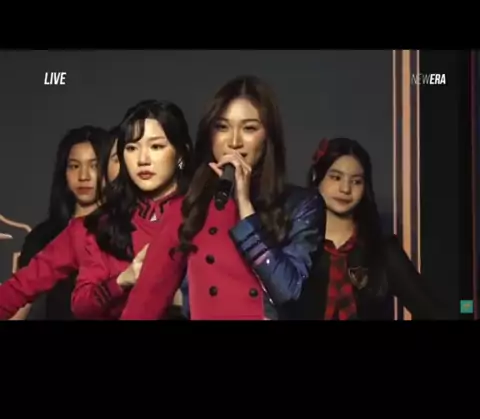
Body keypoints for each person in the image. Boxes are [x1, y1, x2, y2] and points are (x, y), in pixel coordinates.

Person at [120, 75, 326, 321]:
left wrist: (246, 209)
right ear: (210, 135)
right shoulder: (190, 207)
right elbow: (146, 300)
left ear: (268, 137)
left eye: (249, 128)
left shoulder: (301, 204)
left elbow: (289, 292)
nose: (234, 142)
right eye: (222, 127)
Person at [296, 137, 448, 320]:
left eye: (356, 181)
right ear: (316, 177)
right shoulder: (295, 245)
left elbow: (433, 312)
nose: (345, 189)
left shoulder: (382, 251)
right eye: (336, 177)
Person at [71, 100, 192, 320]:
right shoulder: (108, 223)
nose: (142, 160)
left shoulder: (202, 214)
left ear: (180, 153)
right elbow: (81, 305)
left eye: (156, 147)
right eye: (132, 148)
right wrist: (123, 280)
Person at [0, 126, 117, 321]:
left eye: (94, 165)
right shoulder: (45, 236)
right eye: (74, 166)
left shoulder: (124, 230)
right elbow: (18, 300)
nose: (84, 176)